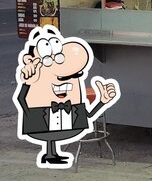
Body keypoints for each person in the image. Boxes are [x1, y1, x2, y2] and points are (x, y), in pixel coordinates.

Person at [13, 25, 120, 169]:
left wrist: (102, 101)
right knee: (48, 134)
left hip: (65, 118)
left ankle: (52, 153)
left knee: (52, 134)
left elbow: (86, 116)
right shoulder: (36, 86)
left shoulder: (73, 105)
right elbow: (21, 98)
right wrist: (27, 85)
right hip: (42, 114)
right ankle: (51, 154)